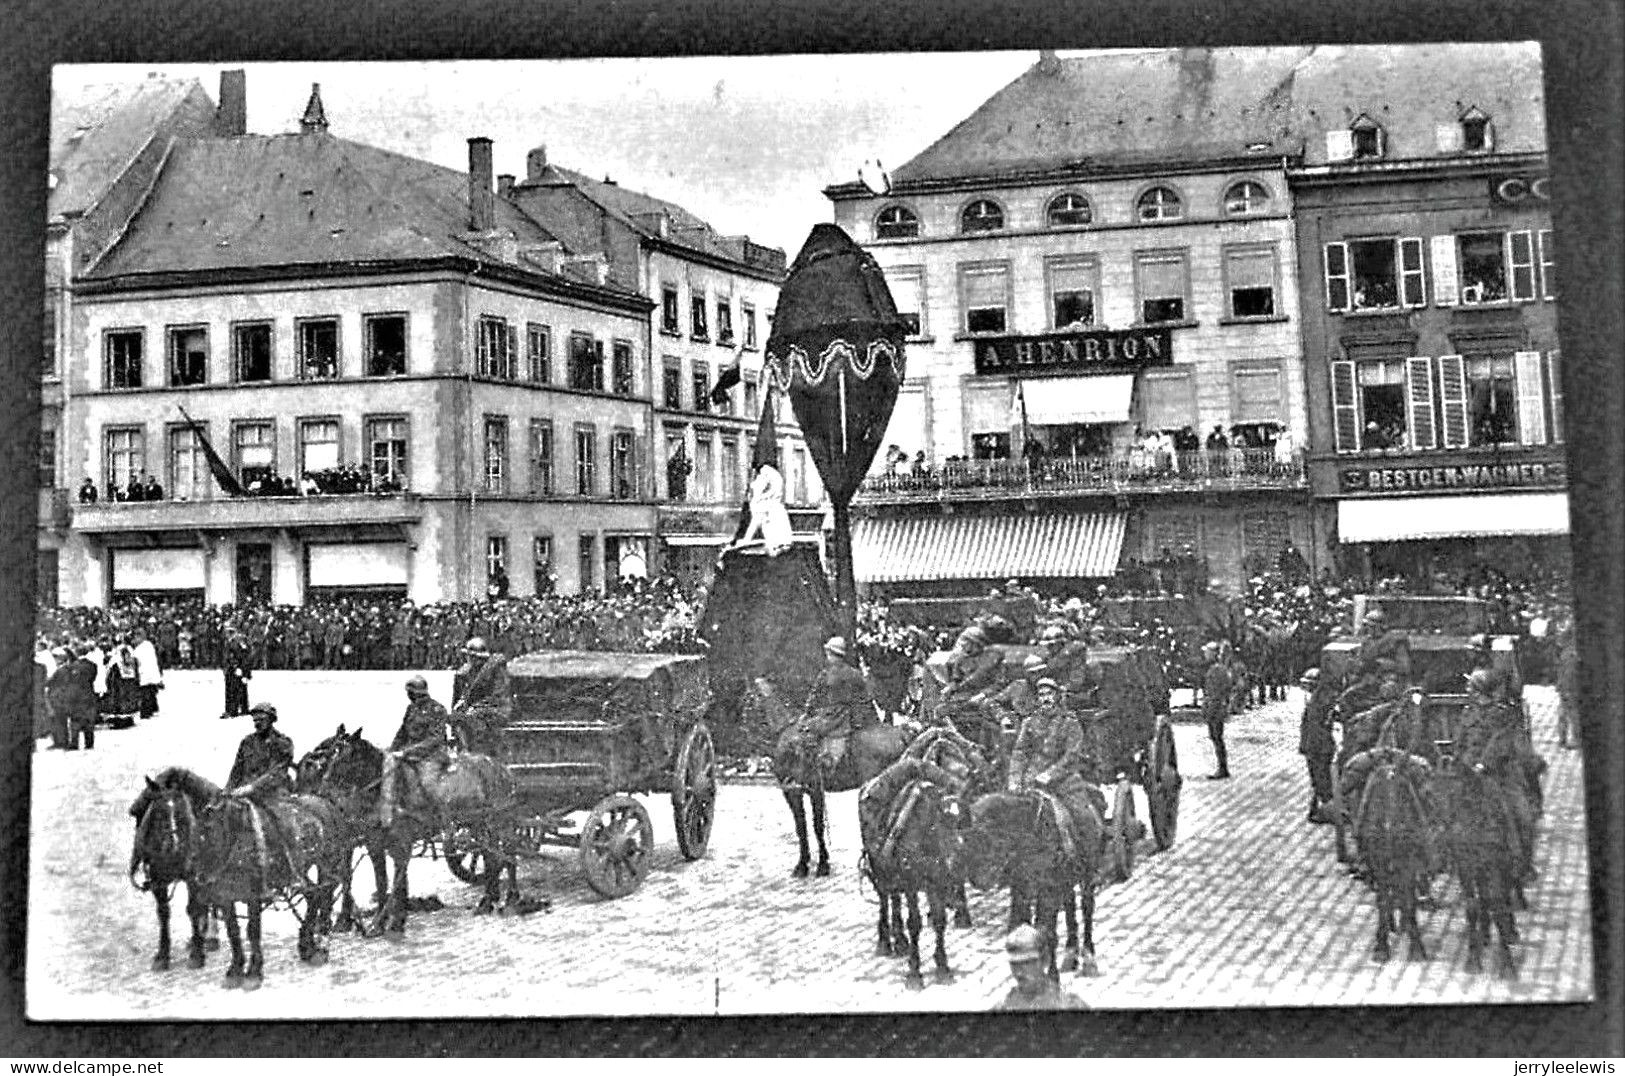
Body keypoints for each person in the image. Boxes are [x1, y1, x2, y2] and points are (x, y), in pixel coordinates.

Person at [1006, 678, 1101, 854]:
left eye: (1049, 694)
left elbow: (1072, 755)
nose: (1045, 698)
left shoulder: (1070, 723)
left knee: (1084, 818)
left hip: (1065, 781)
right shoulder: (1030, 722)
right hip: (1031, 780)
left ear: (1057, 697)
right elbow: (1019, 753)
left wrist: (1050, 774)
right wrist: (1015, 779)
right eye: (1041, 695)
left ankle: (1090, 866)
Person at [380, 676, 454, 825]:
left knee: (429, 785)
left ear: (417, 693)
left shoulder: (437, 709)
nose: (408, 695)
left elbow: (435, 739)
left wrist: (407, 752)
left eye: (410, 692)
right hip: (410, 754)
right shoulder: (411, 708)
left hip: (432, 756)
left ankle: (442, 821)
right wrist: (392, 749)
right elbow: (402, 733)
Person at [799, 636, 873, 780]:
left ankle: (811, 772)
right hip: (850, 717)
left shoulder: (826, 674)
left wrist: (807, 713)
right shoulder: (854, 673)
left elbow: (813, 698)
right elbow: (865, 697)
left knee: (805, 731)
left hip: (830, 716)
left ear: (831, 654)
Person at [994, 925, 1087, 1010]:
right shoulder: (1003, 1008)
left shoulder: (1069, 1005)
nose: (1019, 972)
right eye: (1014, 964)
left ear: (1045, 960)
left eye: (1026, 963)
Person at [451, 636, 512, 757]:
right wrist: (461, 702)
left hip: (495, 709)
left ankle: (477, 753)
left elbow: (499, 694)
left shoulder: (495, 669)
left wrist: (476, 707)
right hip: (474, 712)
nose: (470, 660)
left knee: (472, 719)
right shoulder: (463, 673)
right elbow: (459, 696)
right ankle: (463, 750)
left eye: (474, 657)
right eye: (469, 656)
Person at [225, 703, 295, 800]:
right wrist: (227, 790)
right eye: (255, 720)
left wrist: (252, 787)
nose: (257, 724)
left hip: (273, 795)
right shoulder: (247, 742)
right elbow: (236, 770)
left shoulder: (282, 743)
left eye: (261, 720)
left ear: (271, 719)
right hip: (244, 794)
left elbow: (277, 773)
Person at [730, 458, 793, 557]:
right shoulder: (774, 502)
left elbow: (755, 523)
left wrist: (746, 540)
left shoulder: (764, 503)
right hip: (780, 544)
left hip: (776, 545)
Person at [1297, 668, 1337, 823]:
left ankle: (1325, 810)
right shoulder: (1319, 698)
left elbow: (1314, 724)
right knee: (1318, 778)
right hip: (1315, 744)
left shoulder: (1320, 699)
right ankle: (1318, 808)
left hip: (1318, 745)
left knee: (1321, 779)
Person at [47, 644, 99, 751]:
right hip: (88, 693)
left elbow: (68, 680)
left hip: (75, 695)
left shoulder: (71, 667)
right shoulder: (93, 665)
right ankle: (89, 742)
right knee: (89, 718)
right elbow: (93, 678)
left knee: (75, 719)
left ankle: (74, 742)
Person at [1201, 641, 1234, 779]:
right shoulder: (1218, 668)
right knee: (1215, 737)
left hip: (1216, 707)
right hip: (1216, 705)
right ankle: (1222, 767)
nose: (1205, 654)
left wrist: (1211, 707)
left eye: (1207, 652)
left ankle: (1222, 768)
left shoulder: (1217, 670)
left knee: (1217, 737)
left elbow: (1218, 691)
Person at [104, 640, 143, 727]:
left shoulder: (115, 657)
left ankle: (121, 721)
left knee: (120, 700)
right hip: (129, 680)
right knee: (128, 700)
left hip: (120, 682)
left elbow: (110, 672)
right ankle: (128, 719)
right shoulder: (129, 652)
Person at [131, 625, 164, 720]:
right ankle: (154, 708)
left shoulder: (139, 649)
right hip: (152, 672)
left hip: (145, 673)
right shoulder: (149, 645)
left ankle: (146, 712)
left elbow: (135, 661)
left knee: (146, 694)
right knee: (151, 691)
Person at [220, 629, 253, 719]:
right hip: (232, 670)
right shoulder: (231, 642)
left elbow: (241, 657)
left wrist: (238, 668)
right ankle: (241, 709)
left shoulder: (236, 643)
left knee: (234, 690)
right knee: (237, 689)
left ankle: (233, 710)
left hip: (234, 670)